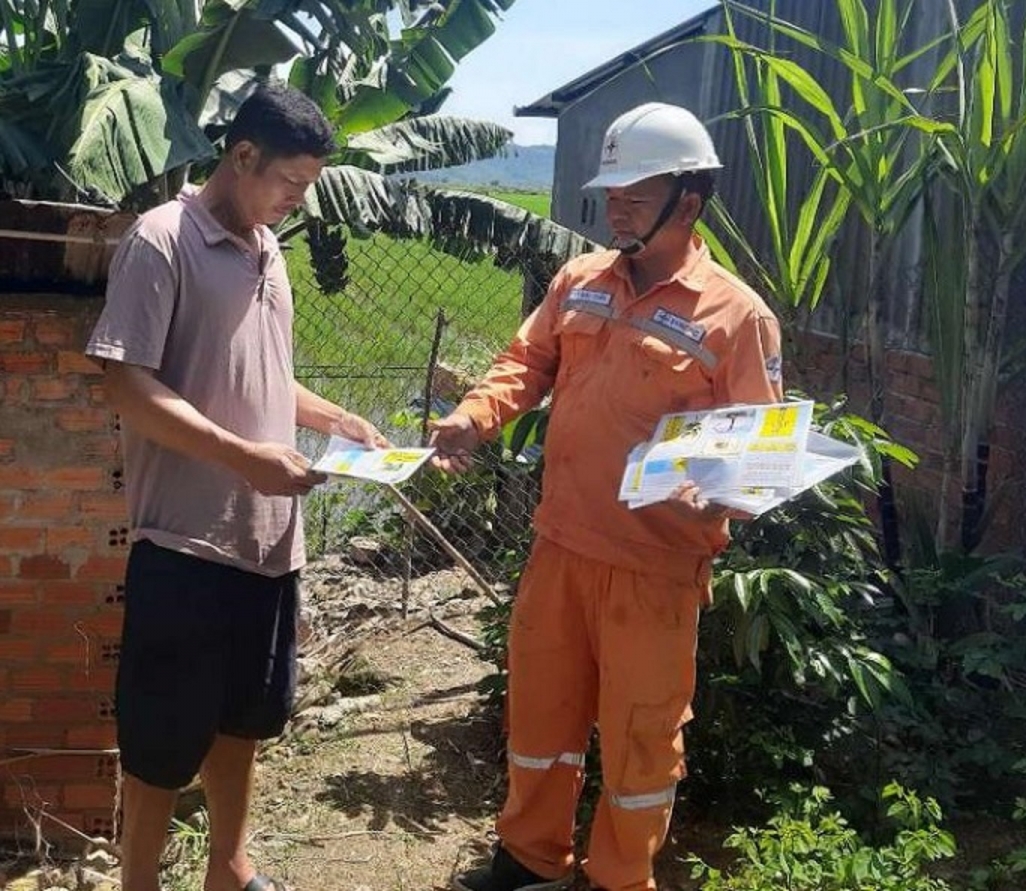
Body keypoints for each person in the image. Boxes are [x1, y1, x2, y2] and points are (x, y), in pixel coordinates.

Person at [434, 102, 784, 891]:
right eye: (611, 189)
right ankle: (527, 860)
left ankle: (618, 878)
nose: (613, 203)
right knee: (542, 717)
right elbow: (524, 363)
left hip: (653, 570)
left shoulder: (737, 318)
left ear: (688, 201)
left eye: (634, 189)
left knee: (639, 739)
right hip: (560, 546)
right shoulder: (579, 281)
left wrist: (724, 494)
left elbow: (758, 453)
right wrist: (472, 417)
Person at [86, 83, 387, 891]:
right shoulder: (163, 241)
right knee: (159, 737)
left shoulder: (267, 246)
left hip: (266, 545)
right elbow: (128, 384)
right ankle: (139, 882)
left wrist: (339, 417)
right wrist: (244, 457)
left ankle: (230, 869)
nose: (296, 201)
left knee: (244, 720)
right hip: (186, 542)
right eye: (289, 183)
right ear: (243, 156)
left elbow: (262, 376)